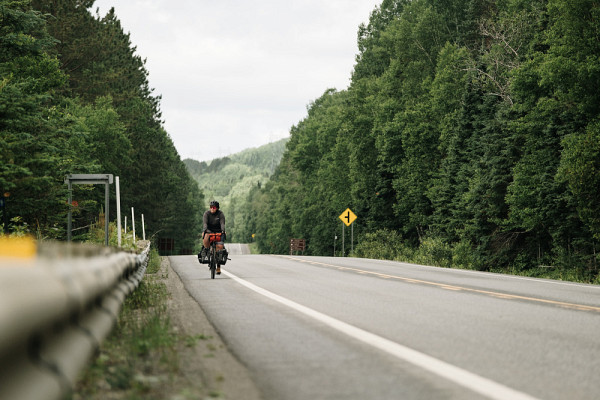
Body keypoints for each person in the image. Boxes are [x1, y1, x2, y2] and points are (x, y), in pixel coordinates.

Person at [198, 200, 227, 274]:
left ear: (217, 208)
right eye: (211, 207)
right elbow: (205, 224)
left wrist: (223, 230)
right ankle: (207, 250)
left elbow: (222, 223)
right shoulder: (206, 214)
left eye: (214, 207)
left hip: (218, 232)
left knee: (219, 248)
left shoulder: (220, 214)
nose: (212, 209)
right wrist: (205, 230)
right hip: (209, 231)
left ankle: (218, 267)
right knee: (204, 236)